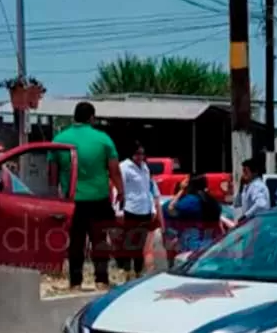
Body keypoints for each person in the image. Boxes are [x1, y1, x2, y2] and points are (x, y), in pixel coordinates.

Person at [49, 102, 124, 291]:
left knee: (76, 242)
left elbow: (52, 175)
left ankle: (75, 282)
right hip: (99, 199)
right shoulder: (103, 139)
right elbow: (114, 171)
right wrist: (121, 191)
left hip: (72, 201)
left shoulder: (59, 139)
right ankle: (101, 279)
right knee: (99, 240)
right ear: (91, 118)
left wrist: (54, 198)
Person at [116, 141, 161, 280]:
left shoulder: (145, 167)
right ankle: (126, 270)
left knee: (141, 244)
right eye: (137, 153)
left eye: (142, 154)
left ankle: (137, 271)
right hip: (130, 209)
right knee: (129, 242)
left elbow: (148, 190)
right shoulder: (124, 167)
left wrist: (152, 208)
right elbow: (119, 189)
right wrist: (119, 210)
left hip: (144, 210)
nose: (140, 156)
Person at [162, 175, 223, 264]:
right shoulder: (211, 200)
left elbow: (169, 208)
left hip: (192, 246)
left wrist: (181, 191)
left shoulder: (190, 201)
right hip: (211, 244)